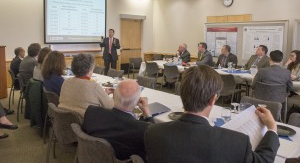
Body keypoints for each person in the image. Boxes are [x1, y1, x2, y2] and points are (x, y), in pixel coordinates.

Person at [144, 65, 279, 163]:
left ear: (181, 93)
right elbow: (264, 160)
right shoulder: (237, 142)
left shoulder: (153, 132)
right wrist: (272, 129)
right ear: (213, 99)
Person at [83, 79, 154, 161]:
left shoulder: (91, 111)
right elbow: (155, 140)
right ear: (137, 103)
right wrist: (147, 113)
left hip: (91, 157)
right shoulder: (143, 129)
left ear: (113, 96)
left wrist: (104, 96)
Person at [59, 53, 114, 117]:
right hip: (85, 123)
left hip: (65, 122)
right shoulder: (94, 86)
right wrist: (115, 95)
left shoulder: (66, 82)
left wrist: (103, 94)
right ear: (90, 69)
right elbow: (111, 106)